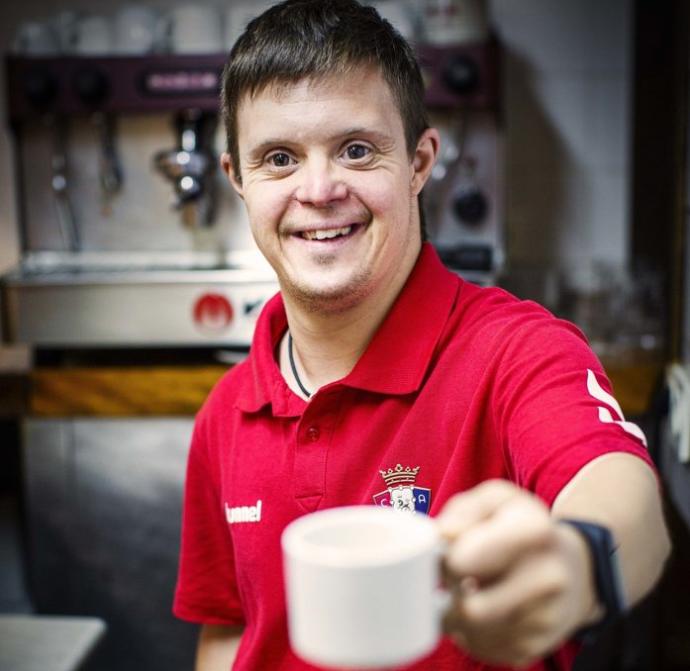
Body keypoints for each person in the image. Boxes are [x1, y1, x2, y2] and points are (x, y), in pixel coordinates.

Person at [173, 1, 670, 669]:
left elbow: (624, 497)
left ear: (418, 161)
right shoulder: (224, 414)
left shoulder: (516, 350)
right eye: (280, 158)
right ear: (238, 179)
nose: (319, 189)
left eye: (356, 150)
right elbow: (229, 630)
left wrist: (580, 563)